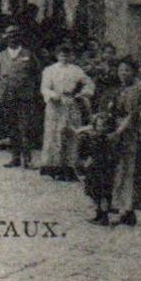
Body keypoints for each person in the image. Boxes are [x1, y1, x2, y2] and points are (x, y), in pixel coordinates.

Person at [104, 58, 141, 224]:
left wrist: (119, 131)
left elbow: (133, 115)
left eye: (127, 70)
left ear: (134, 72)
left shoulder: (138, 91)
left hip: (130, 134)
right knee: (119, 169)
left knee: (129, 171)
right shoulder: (121, 90)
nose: (123, 73)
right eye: (121, 70)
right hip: (119, 133)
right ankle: (120, 207)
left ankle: (127, 208)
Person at [39, 43, 94, 180]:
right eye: (61, 54)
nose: (64, 56)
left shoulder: (76, 70)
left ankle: (70, 167)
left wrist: (81, 94)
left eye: (67, 54)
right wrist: (53, 95)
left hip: (71, 105)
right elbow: (44, 88)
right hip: (55, 106)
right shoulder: (49, 70)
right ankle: (54, 166)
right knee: (54, 134)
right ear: (56, 55)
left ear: (71, 55)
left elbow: (89, 84)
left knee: (71, 133)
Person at [0, 26, 42, 168]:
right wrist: (0, 93)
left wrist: (34, 92)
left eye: (15, 36)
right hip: (7, 97)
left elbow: (38, 75)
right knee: (12, 127)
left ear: (20, 38)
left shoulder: (28, 55)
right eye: (9, 36)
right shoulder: (0, 57)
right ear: (5, 39)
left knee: (25, 127)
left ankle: (28, 159)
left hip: (25, 97)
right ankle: (15, 157)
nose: (12, 39)